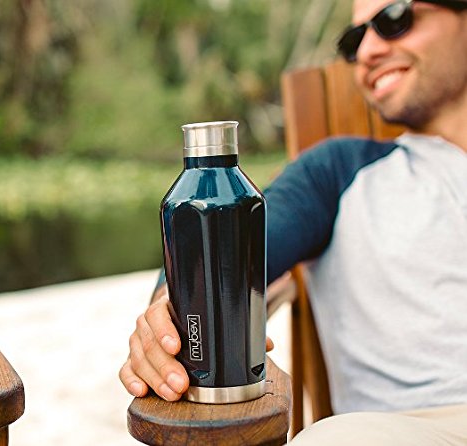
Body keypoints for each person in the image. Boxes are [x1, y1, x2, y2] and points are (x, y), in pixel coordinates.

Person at [120, 0, 467, 443]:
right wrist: (167, 323)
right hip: (416, 427)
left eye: (393, 19)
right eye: (353, 40)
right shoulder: (338, 172)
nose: (367, 51)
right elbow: (220, 252)